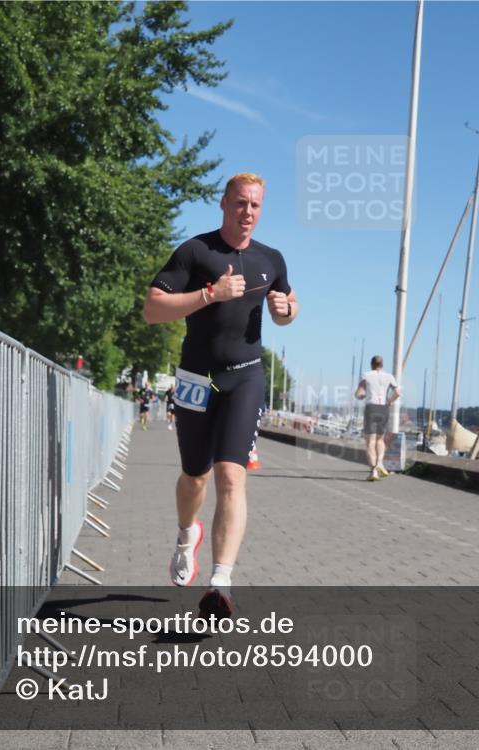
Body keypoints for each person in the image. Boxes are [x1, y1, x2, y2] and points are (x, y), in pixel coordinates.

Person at [143, 173, 298, 619]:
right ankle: (184, 534)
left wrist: (287, 311)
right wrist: (209, 294)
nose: (248, 212)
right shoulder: (195, 250)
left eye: (255, 206)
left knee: (231, 476)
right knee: (195, 476)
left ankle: (220, 583)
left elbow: (289, 304)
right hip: (196, 377)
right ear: (224, 203)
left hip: (245, 376)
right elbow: (153, 309)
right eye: (240, 204)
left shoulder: (272, 259)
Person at [355, 355, 401, 481]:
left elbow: (358, 393)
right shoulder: (389, 376)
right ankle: (380, 462)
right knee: (380, 440)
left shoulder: (366, 375)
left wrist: (361, 397)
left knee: (370, 442)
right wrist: (389, 401)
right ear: (382, 365)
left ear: (371, 364)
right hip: (383, 408)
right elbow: (397, 392)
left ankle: (374, 471)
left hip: (371, 408)